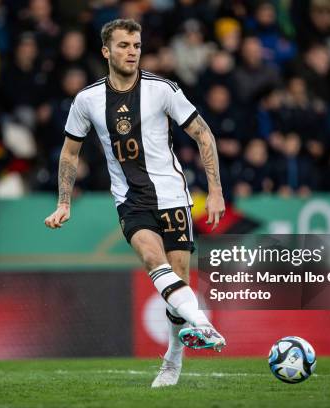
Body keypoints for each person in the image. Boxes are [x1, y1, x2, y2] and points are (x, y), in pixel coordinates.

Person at [44, 19, 226, 388]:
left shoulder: (162, 90)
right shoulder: (87, 100)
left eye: (137, 45)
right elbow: (69, 152)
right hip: (130, 199)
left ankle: (172, 360)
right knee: (150, 257)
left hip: (173, 196)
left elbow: (203, 134)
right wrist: (64, 202)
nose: (132, 51)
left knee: (177, 283)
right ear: (106, 51)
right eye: (124, 45)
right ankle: (205, 325)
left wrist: (216, 190)